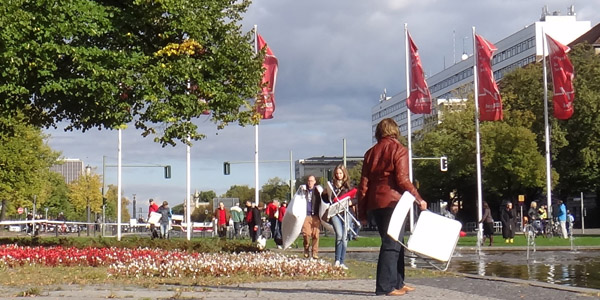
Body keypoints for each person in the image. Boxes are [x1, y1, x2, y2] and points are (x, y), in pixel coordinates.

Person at [357, 118, 427, 296]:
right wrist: (419, 198)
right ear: (395, 131)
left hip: (376, 202)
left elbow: (363, 184)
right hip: (394, 202)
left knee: (396, 242)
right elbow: (402, 180)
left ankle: (397, 282)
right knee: (391, 244)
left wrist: (362, 211)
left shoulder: (370, 153)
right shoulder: (399, 150)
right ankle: (384, 286)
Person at [322, 164, 353, 269]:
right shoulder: (332, 185)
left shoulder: (348, 185)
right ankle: (337, 260)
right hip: (335, 213)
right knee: (339, 235)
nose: (339, 175)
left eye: (340, 173)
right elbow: (326, 200)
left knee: (344, 237)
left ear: (344, 173)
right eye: (337, 173)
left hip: (345, 212)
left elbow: (355, 197)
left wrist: (351, 203)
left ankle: (342, 260)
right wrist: (325, 194)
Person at [300, 175, 322, 259]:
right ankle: (306, 249)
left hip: (316, 215)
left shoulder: (318, 191)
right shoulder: (303, 190)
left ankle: (315, 252)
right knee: (306, 234)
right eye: (309, 181)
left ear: (315, 181)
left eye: (312, 181)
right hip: (306, 215)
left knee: (316, 235)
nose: (310, 182)